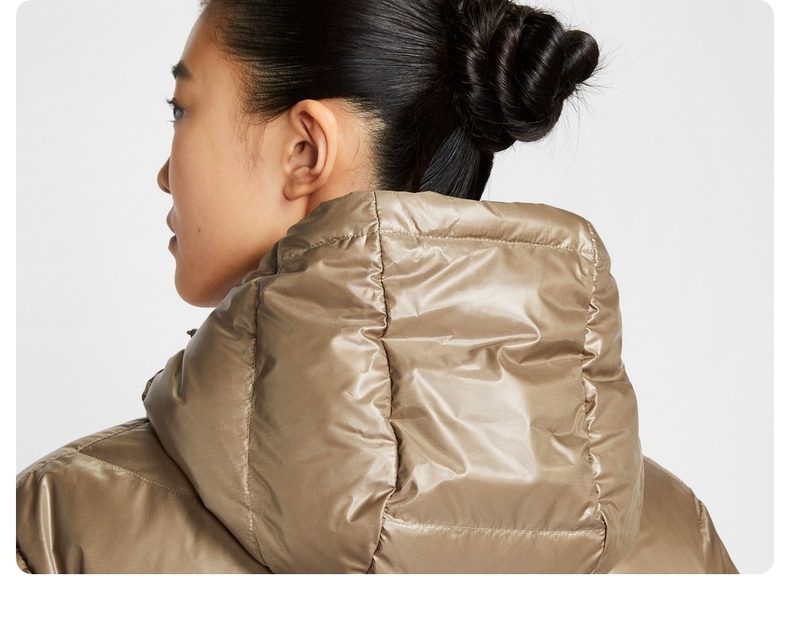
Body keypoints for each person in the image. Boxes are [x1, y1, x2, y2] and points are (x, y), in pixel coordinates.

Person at [16, 0, 737, 573]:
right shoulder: (679, 540)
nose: (164, 173)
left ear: (304, 151)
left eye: (183, 108)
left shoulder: (66, 526)